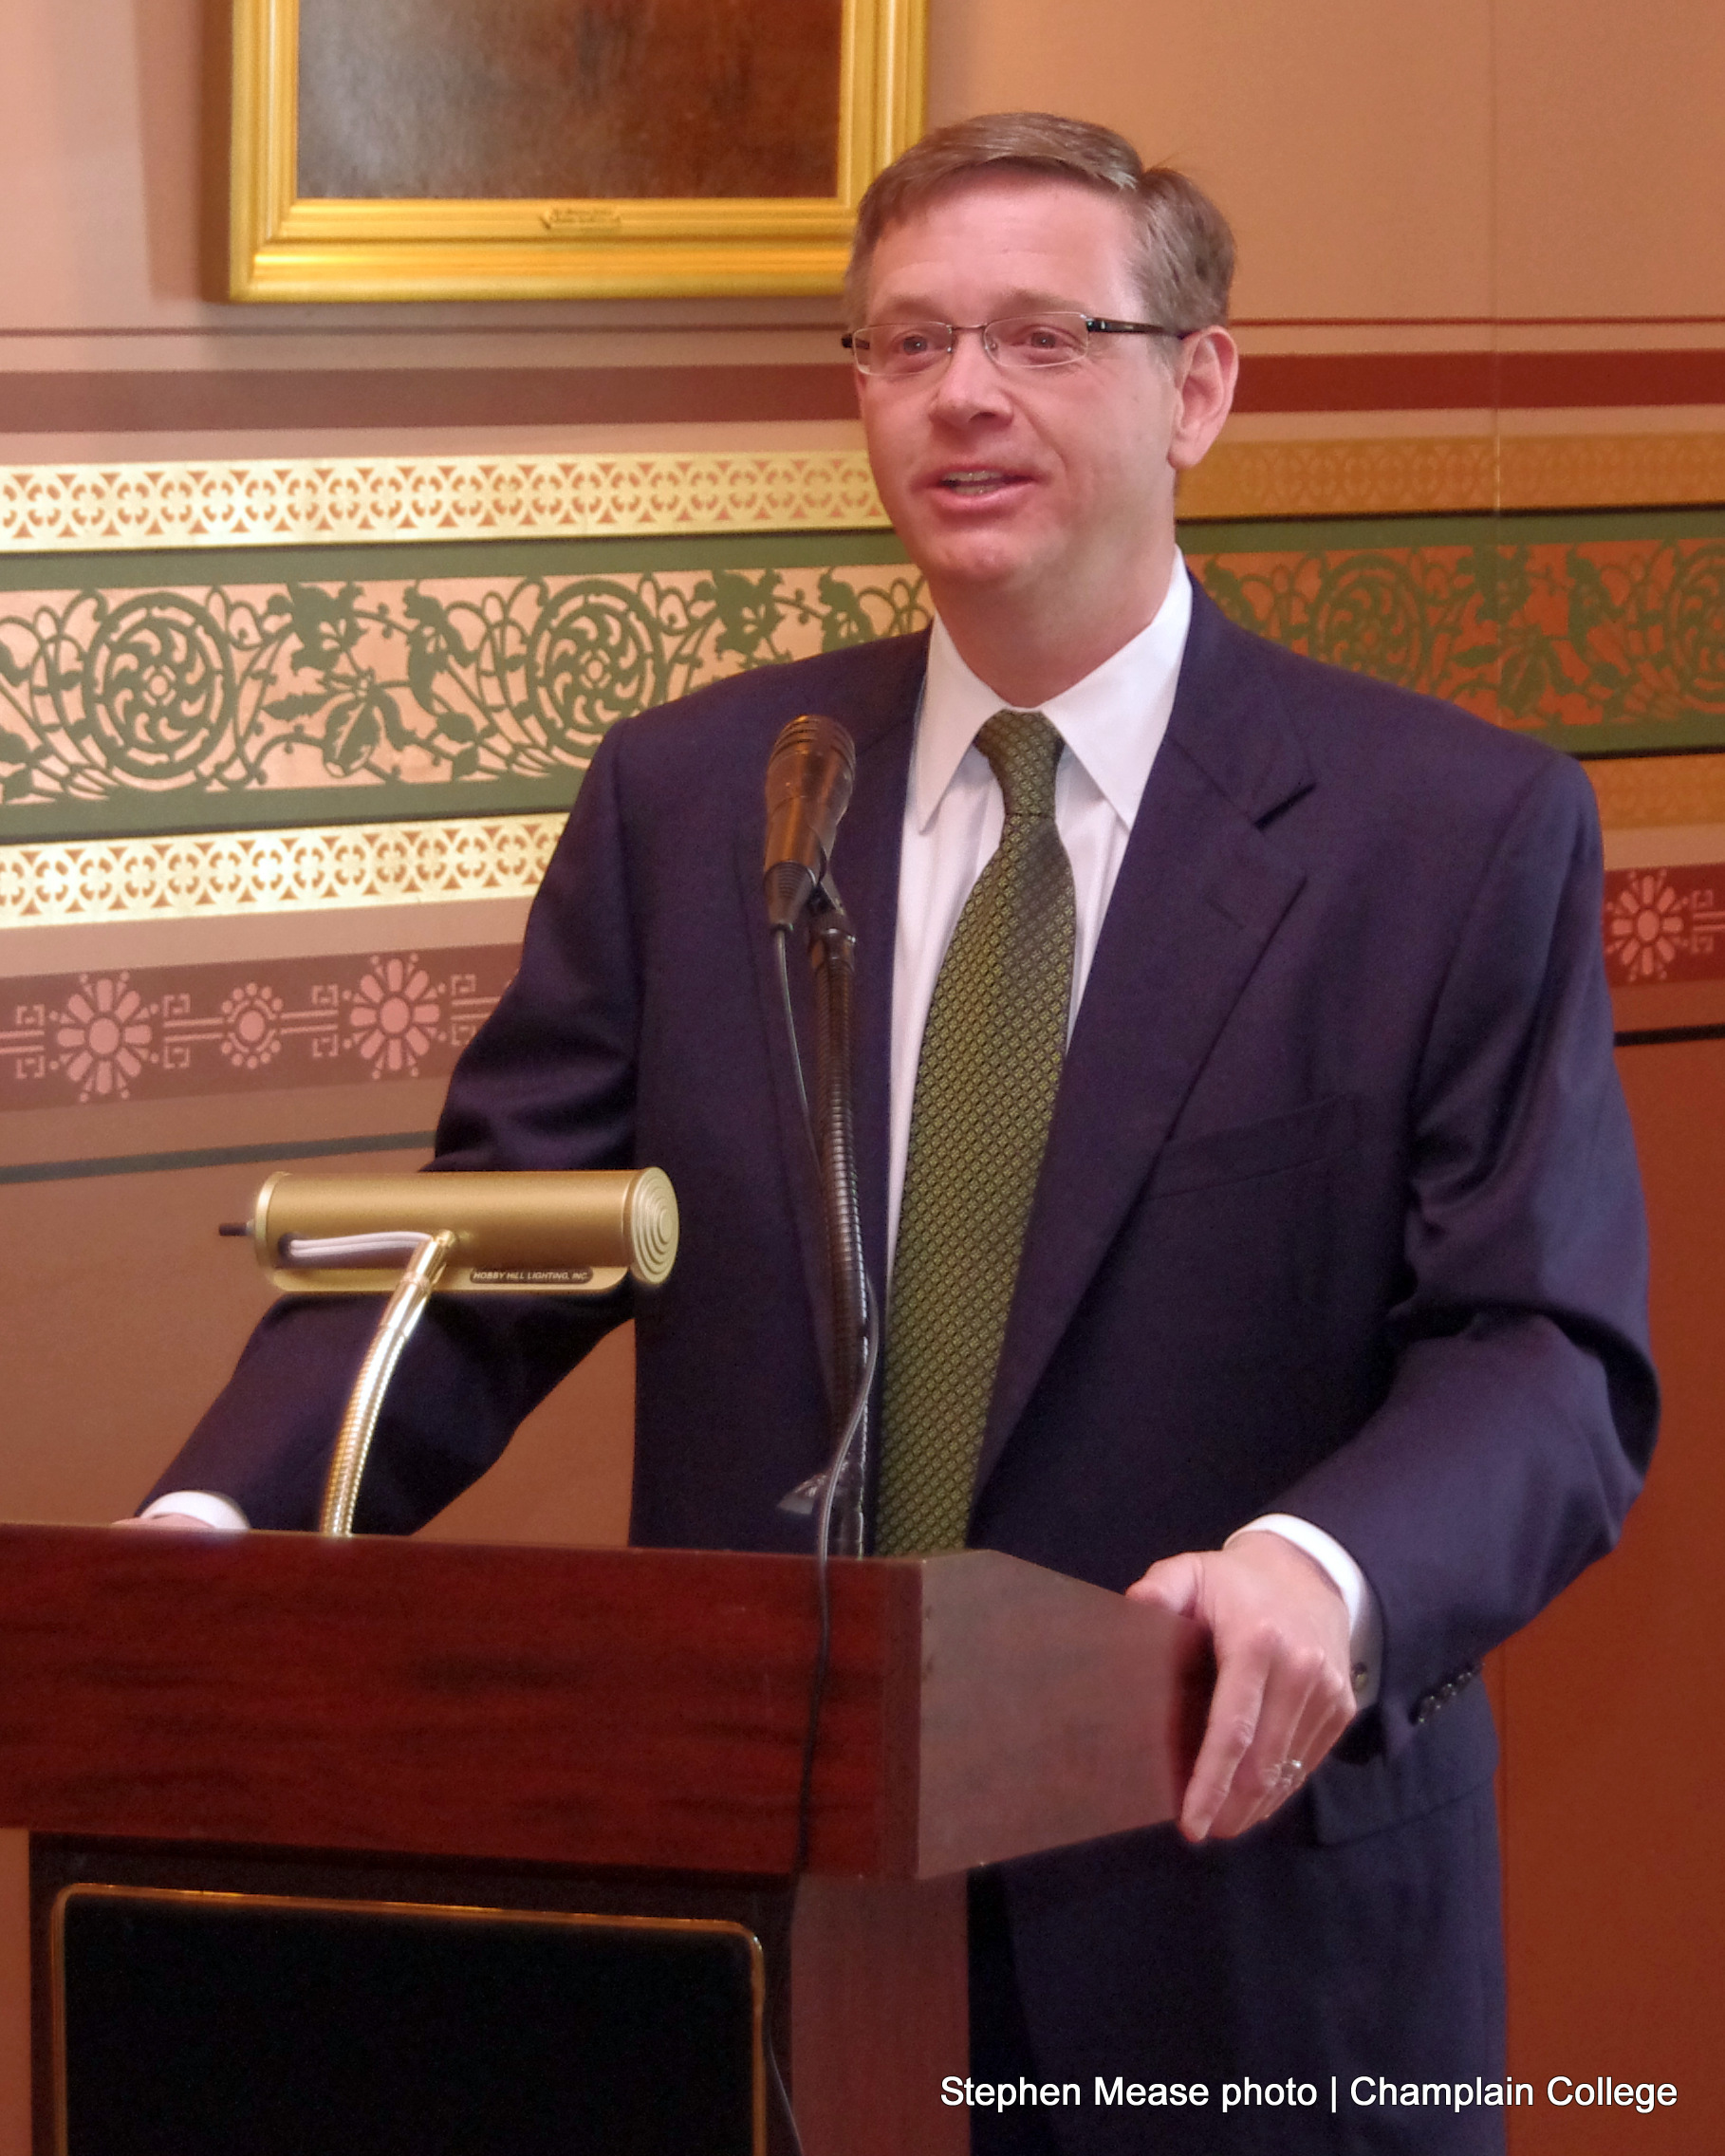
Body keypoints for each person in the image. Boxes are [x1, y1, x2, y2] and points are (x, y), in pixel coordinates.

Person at [133, 114, 1655, 2153]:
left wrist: (1325, 1570)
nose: (963, 395)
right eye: (908, 342)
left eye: (1042, 336)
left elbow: (1540, 1347)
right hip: (775, 1923)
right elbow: (489, 1243)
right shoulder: (706, 798)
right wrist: (214, 1536)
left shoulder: (1448, 832)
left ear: (1199, 386)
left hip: (1235, 1929)